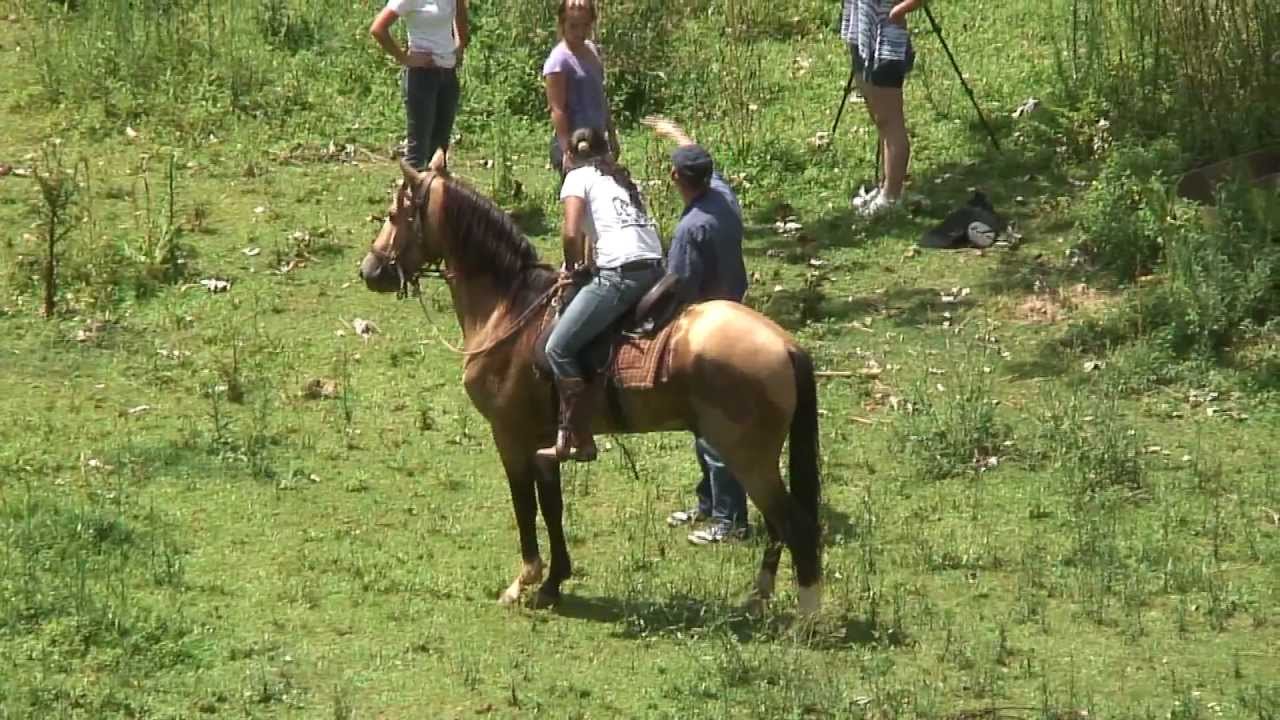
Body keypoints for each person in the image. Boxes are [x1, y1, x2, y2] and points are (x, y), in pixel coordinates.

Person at [642, 116, 750, 546]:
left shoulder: (691, 229)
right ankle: (708, 502)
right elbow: (711, 164)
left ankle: (730, 520)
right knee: (700, 423)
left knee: (712, 431)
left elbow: (678, 283)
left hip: (708, 332)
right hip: (735, 313)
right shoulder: (723, 198)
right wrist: (679, 136)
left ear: (675, 178)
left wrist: (645, 313)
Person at [538, 127, 665, 463]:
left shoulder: (577, 177)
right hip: (655, 267)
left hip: (621, 275)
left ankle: (579, 435)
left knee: (558, 346)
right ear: (607, 151)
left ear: (569, 156)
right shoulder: (623, 179)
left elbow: (571, 232)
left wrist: (570, 267)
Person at [842, 0, 922, 217]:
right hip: (862, 26)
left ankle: (891, 196)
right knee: (879, 118)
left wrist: (900, 11)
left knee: (889, 120)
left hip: (886, 36)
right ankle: (885, 186)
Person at [370, 0, 470, 170]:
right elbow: (378, 29)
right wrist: (406, 59)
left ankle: (435, 194)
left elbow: (460, 15)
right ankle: (410, 194)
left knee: (440, 150)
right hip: (422, 77)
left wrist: (459, 46)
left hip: (447, 76)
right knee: (418, 150)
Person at [543, 0, 619, 176]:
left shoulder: (591, 51)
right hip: (576, 142)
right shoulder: (558, 61)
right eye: (573, 26)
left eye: (585, 25)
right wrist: (566, 150)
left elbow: (599, 96)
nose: (580, 32)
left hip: (597, 140)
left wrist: (612, 134)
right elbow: (557, 109)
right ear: (562, 24)